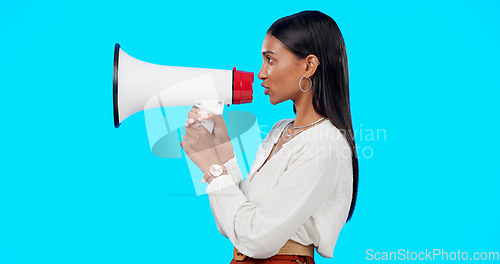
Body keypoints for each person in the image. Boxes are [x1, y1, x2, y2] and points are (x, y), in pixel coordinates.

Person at [180, 10, 359, 264]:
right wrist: (222, 152)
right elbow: (233, 228)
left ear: (309, 66)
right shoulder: (280, 130)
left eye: (270, 60)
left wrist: (212, 168)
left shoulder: (325, 144)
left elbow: (257, 240)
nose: (261, 73)